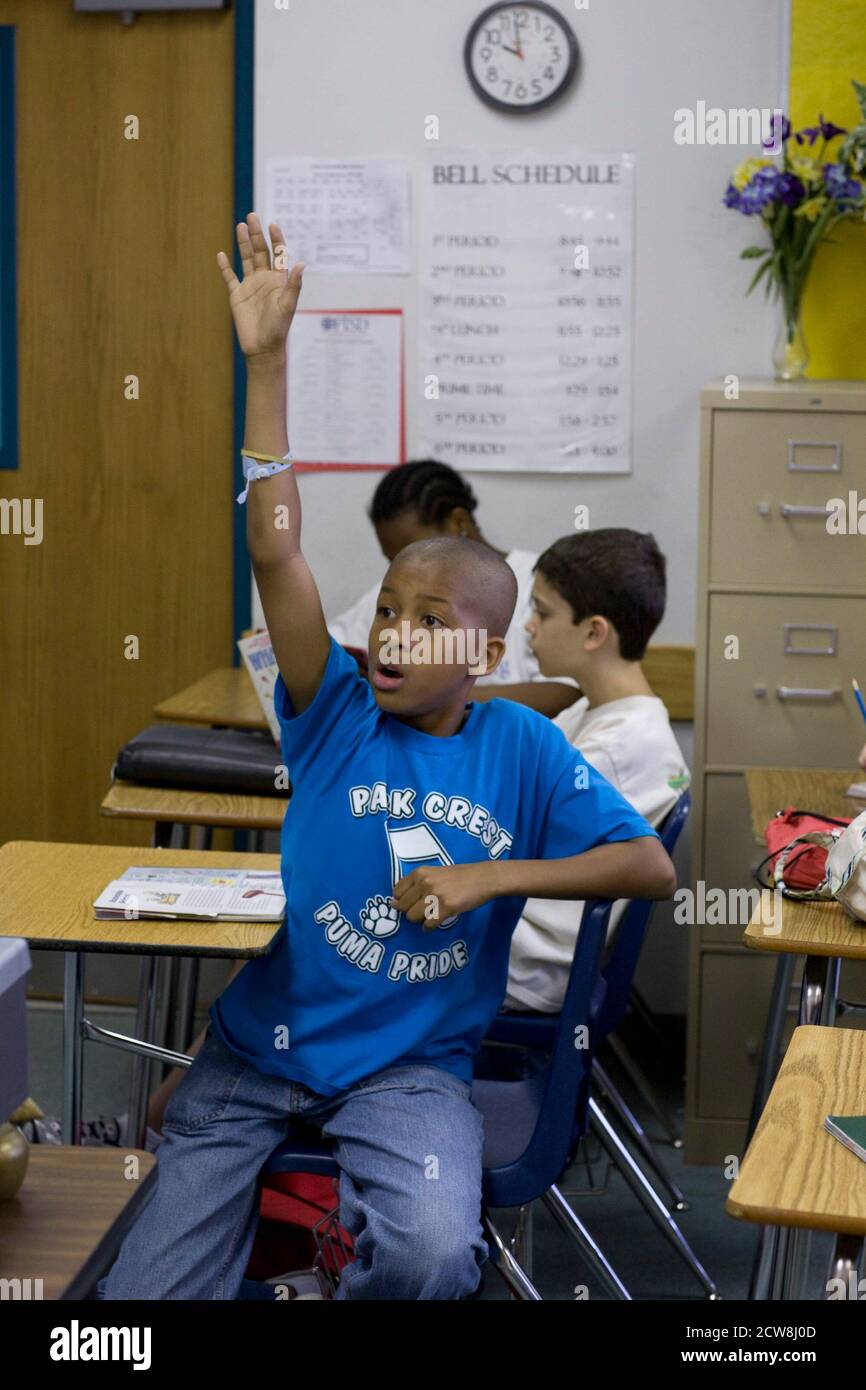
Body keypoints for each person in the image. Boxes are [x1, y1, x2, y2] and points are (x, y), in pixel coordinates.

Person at [100, 213, 675, 1301]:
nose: (395, 636)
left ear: (486, 651)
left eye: (430, 620)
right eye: (389, 611)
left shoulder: (517, 745)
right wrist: (267, 365)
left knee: (423, 1258)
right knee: (140, 1302)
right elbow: (274, 543)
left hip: (411, 1072)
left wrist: (489, 875)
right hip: (259, 1048)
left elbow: (648, 866)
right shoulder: (334, 709)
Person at [504, 529, 690, 1013]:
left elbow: (508, 838)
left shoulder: (616, 746)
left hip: (529, 962)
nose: (528, 626)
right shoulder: (600, 712)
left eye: (542, 613)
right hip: (529, 941)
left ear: (594, 632)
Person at [328, 458, 577, 717]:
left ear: (458, 522)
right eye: (395, 560)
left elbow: (569, 692)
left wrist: (435, 696)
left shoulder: (541, 583)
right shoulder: (399, 592)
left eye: (431, 620)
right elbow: (327, 652)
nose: (407, 567)